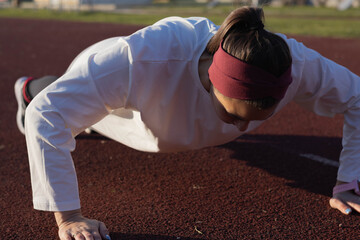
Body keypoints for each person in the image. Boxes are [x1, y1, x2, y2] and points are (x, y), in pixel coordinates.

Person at [14, 6, 360, 240]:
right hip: (126, 109)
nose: (239, 129)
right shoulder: (142, 60)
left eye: (254, 119)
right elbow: (48, 114)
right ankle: (30, 87)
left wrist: (348, 182)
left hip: (153, 108)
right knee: (65, 109)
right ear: (210, 79)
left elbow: (357, 98)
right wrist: (70, 217)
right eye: (233, 115)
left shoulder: (294, 62)